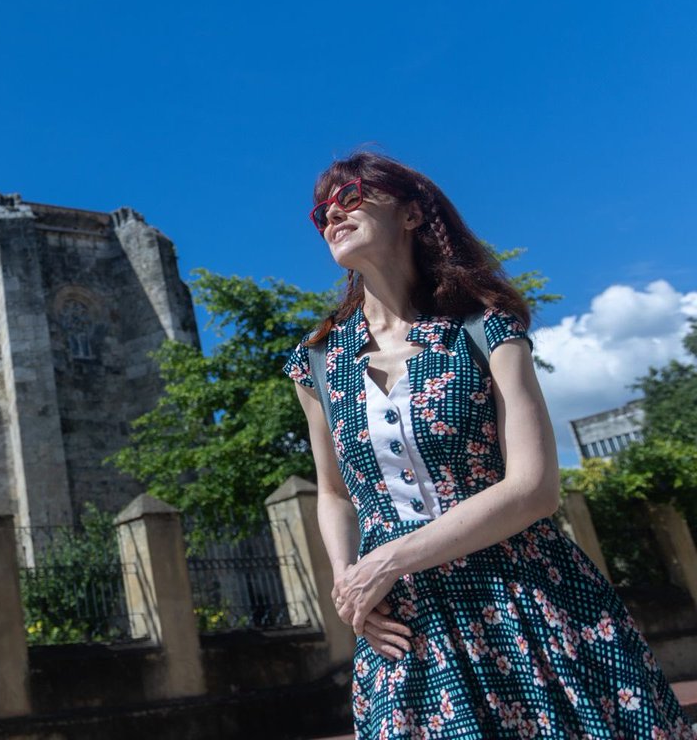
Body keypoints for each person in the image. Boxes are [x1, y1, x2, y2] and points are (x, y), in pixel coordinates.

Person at [283, 151, 694, 738]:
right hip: (405, 626)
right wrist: (353, 586)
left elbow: (534, 489)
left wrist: (386, 560)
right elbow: (334, 493)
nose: (331, 216)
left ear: (412, 214)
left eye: (350, 197)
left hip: (529, 601)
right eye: (321, 211)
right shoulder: (317, 362)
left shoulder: (485, 328)